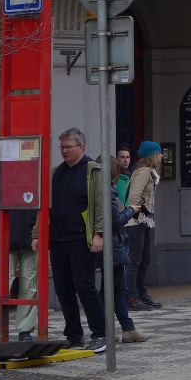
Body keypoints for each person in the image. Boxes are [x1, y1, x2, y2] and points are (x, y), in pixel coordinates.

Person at [49, 128, 107, 353]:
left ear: (81, 147)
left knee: (85, 286)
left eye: (68, 147)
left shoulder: (93, 171)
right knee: (63, 289)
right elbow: (47, 207)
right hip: (58, 239)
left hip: (82, 240)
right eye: (61, 147)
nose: (64, 151)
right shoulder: (57, 172)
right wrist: (38, 235)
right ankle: (73, 335)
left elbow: (100, 205)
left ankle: (100, 333)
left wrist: (98, 234)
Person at [0, 172, 38, 342]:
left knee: (27, 283)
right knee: (7, 283)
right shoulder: (5, 174)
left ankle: (21, 330)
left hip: (27, 236)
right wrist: (1, 229)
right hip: (15, 235)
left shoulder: (32, 173)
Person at [96, 160, 148, 344]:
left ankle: (126, 328)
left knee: (117, 290)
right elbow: (115, 221)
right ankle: (104, 330)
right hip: (114, 246)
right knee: (112, 290)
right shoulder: (108, 192)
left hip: (113, 246)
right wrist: (130, 210)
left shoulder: (102, 190)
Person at [125, 141, 163, 311]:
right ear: (151, 156)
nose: (161, 156)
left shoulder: (151, 172)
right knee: (135, 260)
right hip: (136, 221)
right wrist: (139, 211)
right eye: (158, 153)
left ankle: (142, 293)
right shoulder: (143, 172)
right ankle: (132, 296)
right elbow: (134, 195)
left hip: (145, 220)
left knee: (145, 259)